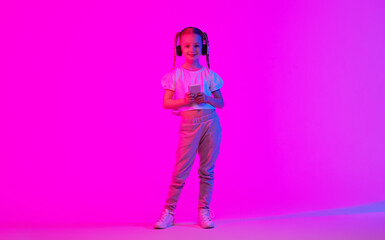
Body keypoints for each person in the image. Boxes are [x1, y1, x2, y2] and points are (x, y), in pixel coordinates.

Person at [154, 27, 224, 229]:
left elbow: (221, 103)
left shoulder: (209, 75)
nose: (192, 49)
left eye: (196, 45)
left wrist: (208, 98)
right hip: (189, 124)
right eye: (187, 46)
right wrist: (184, 100)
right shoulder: (175, 75)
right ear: (179, 49)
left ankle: (204, 211)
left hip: (211, 123)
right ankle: (169, 211)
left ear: (203, 47)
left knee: (207, 170)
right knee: (180, 170)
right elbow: (166, 104)